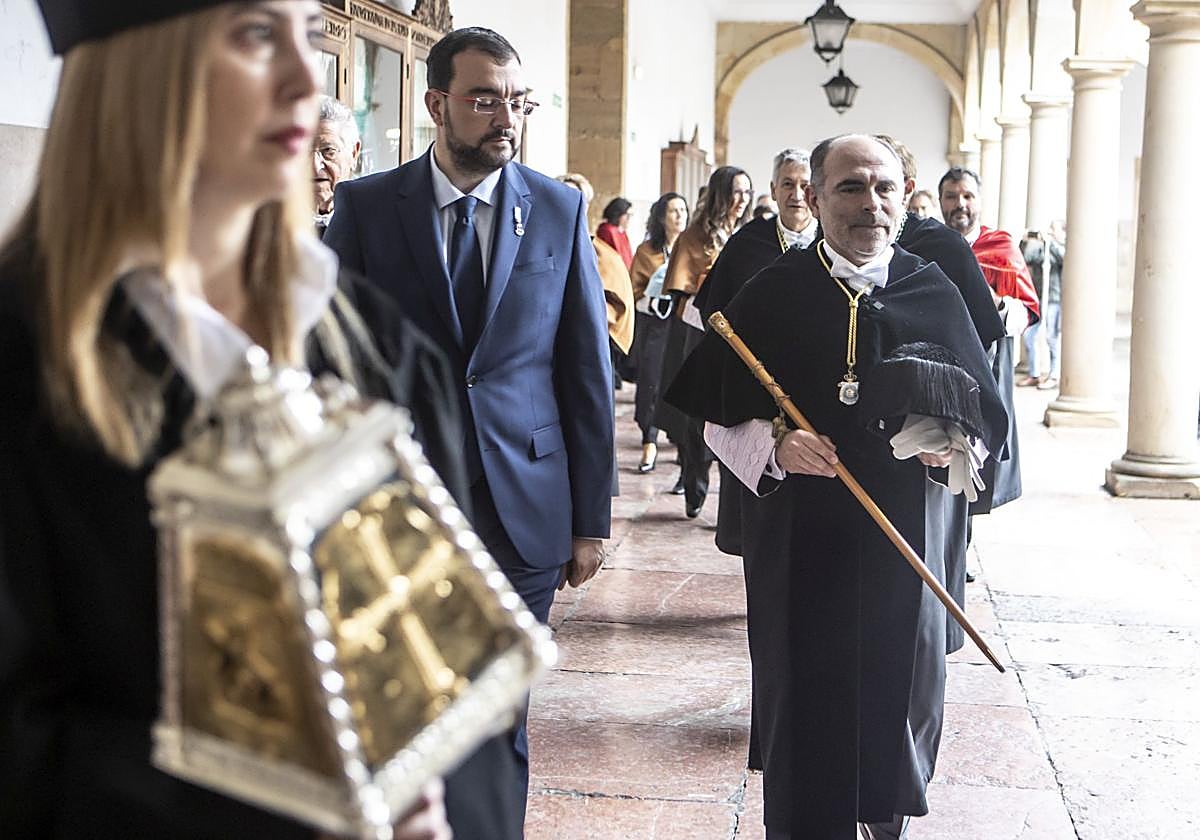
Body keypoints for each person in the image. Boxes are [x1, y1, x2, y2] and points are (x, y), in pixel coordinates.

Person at [0, 3, 519, 839]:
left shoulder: (372, 342)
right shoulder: (26, 371)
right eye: (253, 34)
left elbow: (459, 675)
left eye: (308, 36)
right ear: (137, 68)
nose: (304, 79)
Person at [666, 134, 1007, 840]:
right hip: (800, 538)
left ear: (902, 199)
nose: (869, 204)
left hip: (904, 536)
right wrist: (775, 443)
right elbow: (713, 418)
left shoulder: (931, 288)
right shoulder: (774, 291)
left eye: (883, 187)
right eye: (849, 187)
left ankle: (887, 825)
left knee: (896, 697)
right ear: (814, 198)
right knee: (806, 695)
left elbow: (982, 420)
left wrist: (947, 447)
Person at [322, 27, 614, 817]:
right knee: (405, 713)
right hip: (398, 505)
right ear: (436, 104)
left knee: (496, 718)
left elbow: (585, 368)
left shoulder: (557, 208)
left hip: (521, 505)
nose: (504, 119)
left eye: (515, 101)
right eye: (484, 100)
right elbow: (335, 362)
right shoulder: (367, 205)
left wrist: (591, 519)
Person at [693, 147, 817, 554]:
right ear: (773, 190)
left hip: (817, 384)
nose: (796, 194)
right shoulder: (749, 242)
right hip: (756, 384)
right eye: (787, 184)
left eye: (804, 185)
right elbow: (715, 312)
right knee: (760, 506)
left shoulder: (833, 240)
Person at [656, 165, 753, 516]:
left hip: (742, 338)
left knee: (737, 419)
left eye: (746, 192)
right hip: (700, 333)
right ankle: (694, 483)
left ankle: (730, 504)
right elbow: (681, 294)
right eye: (734, 192)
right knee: (700, 418)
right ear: (718, 195)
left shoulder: (749, 235)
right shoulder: (694, 236)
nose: (741, 200)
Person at [939, 166, 1035, 513]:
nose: (959, 204)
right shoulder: (929, 243)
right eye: (951, 196)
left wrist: (992, 301)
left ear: (980, 201)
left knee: (980, 464)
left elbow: (1026, 313)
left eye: (967, 196)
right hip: (942, 368)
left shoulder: (1000, 247)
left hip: (988, 367)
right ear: (940, 202)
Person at [629, 191, 689, 473]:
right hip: (654, 325)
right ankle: (648, 441)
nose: (680, 216)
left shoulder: (693, 249)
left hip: (684, 325)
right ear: (661, 217)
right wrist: (653, 301)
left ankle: (680, 441)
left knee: (681, 380)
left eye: (683, 211)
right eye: (674, 211)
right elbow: (633, 290)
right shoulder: (647, 251)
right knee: (651, 380)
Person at [1019, 221, 1065, 390]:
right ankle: (1035, 374)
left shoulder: (1058, 248)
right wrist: (1025, 241)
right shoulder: (1041, 250)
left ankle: (1053, 375)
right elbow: (1025, 258)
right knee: (1029, 336)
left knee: (1051, 338)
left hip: (1053, 300)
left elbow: (1062, 258)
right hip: (1039, 299)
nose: (1049, 231)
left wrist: (1050, 242)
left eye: (1053, 228)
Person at [312, 94, 360, 237]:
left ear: (354, 153)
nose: (315, 166)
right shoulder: (267, 223)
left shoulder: (374, 220)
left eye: (328, 151)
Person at [596, 196, 634, 269]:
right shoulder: (606, 230)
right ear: (618, 214)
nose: (629, 219)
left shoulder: (622, 232)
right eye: (627, 215)